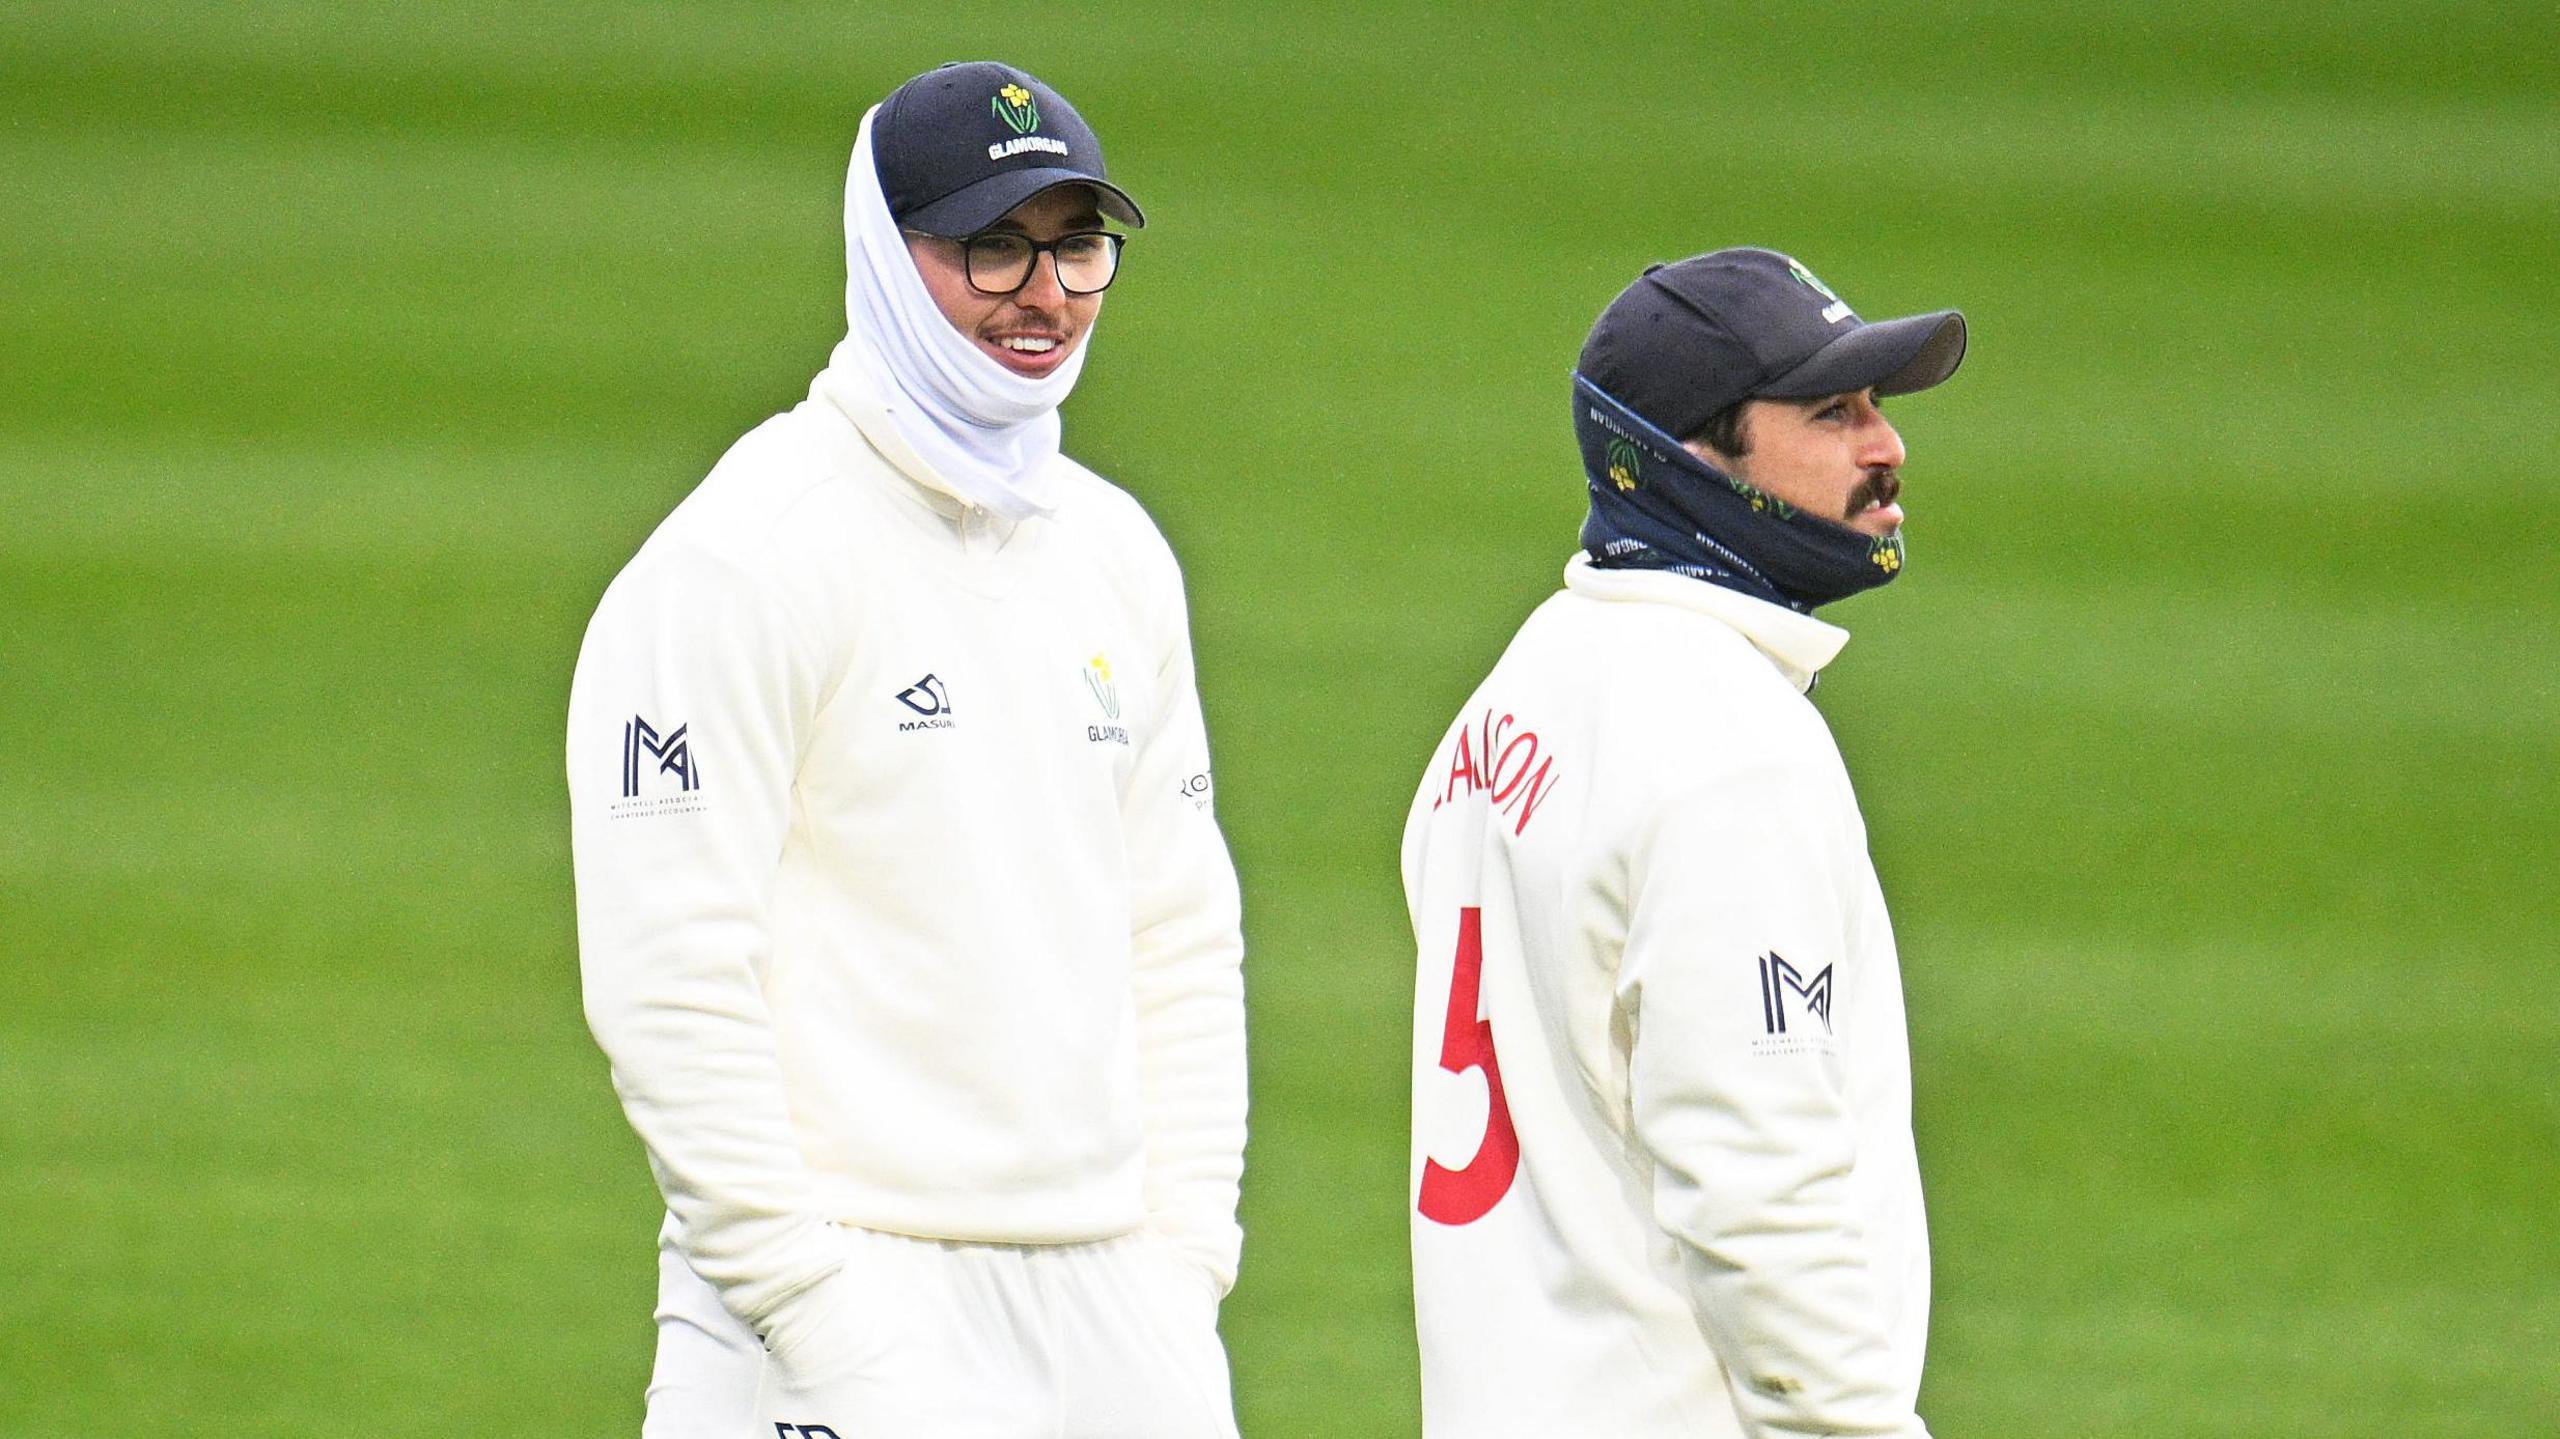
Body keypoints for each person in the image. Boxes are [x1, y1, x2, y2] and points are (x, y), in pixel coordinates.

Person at [567, 61, 1246, 1438]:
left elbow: (1180, 932)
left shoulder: (1114, 550)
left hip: (1113, 1301)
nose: (1043, 293)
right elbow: (669, 972)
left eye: (1075, 244)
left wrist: (1181, 1265)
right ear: (882, 252)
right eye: (989, 244)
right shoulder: (747, 555)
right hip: (836, 1297)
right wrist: (811, 1305)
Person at [1402, 247, 1968, 1437]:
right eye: (1831, 412)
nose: (1886, 446)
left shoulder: (1514, 695)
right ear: (1690, 458)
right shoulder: (1731, 751)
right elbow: (1756, 1187)